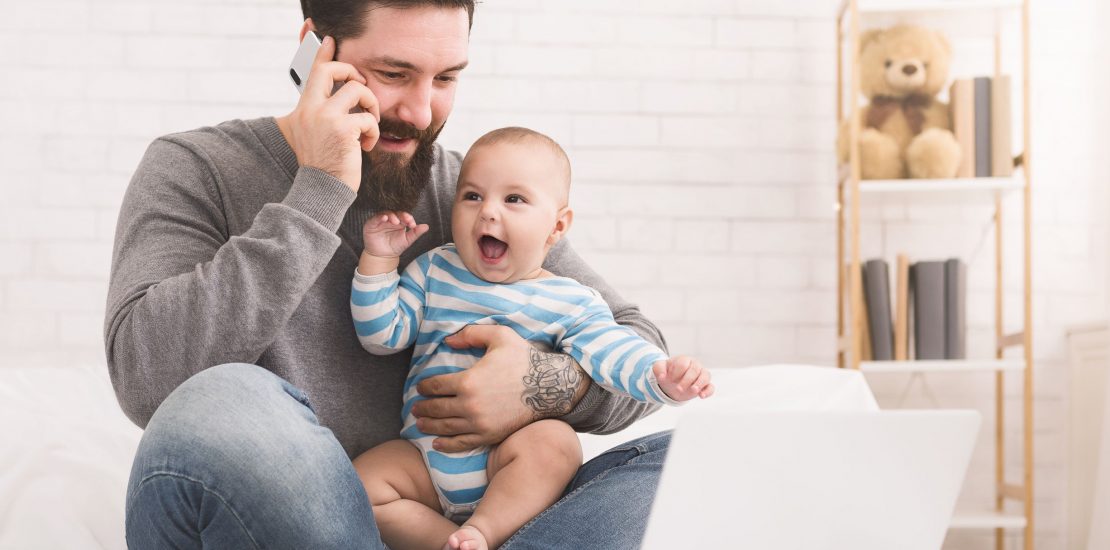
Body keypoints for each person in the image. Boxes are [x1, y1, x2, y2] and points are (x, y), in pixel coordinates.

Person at [105, 1, 676, 547]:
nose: (423, 113)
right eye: (394, 73)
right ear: (313, 55)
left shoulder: (473, 197)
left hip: (460, 519)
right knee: (227, 398)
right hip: (305, 517)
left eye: (447, 78)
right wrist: (320, 190)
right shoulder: (196, 168)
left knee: (674, 463)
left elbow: (638, 344)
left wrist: (536, 388)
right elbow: (146, 381)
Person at [350, 127, 714, 550]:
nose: (487, 212)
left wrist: (659, 375)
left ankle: (485, 531)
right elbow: (382, 334)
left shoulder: (570, 300)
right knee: (360, 488)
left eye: (514, 200)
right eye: (471, 196)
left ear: (557, 227)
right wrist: (379, 259)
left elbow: (611, 350)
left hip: (506, 460)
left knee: (554, 444)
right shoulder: (435, 269)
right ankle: (454, 542)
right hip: (424, 460)